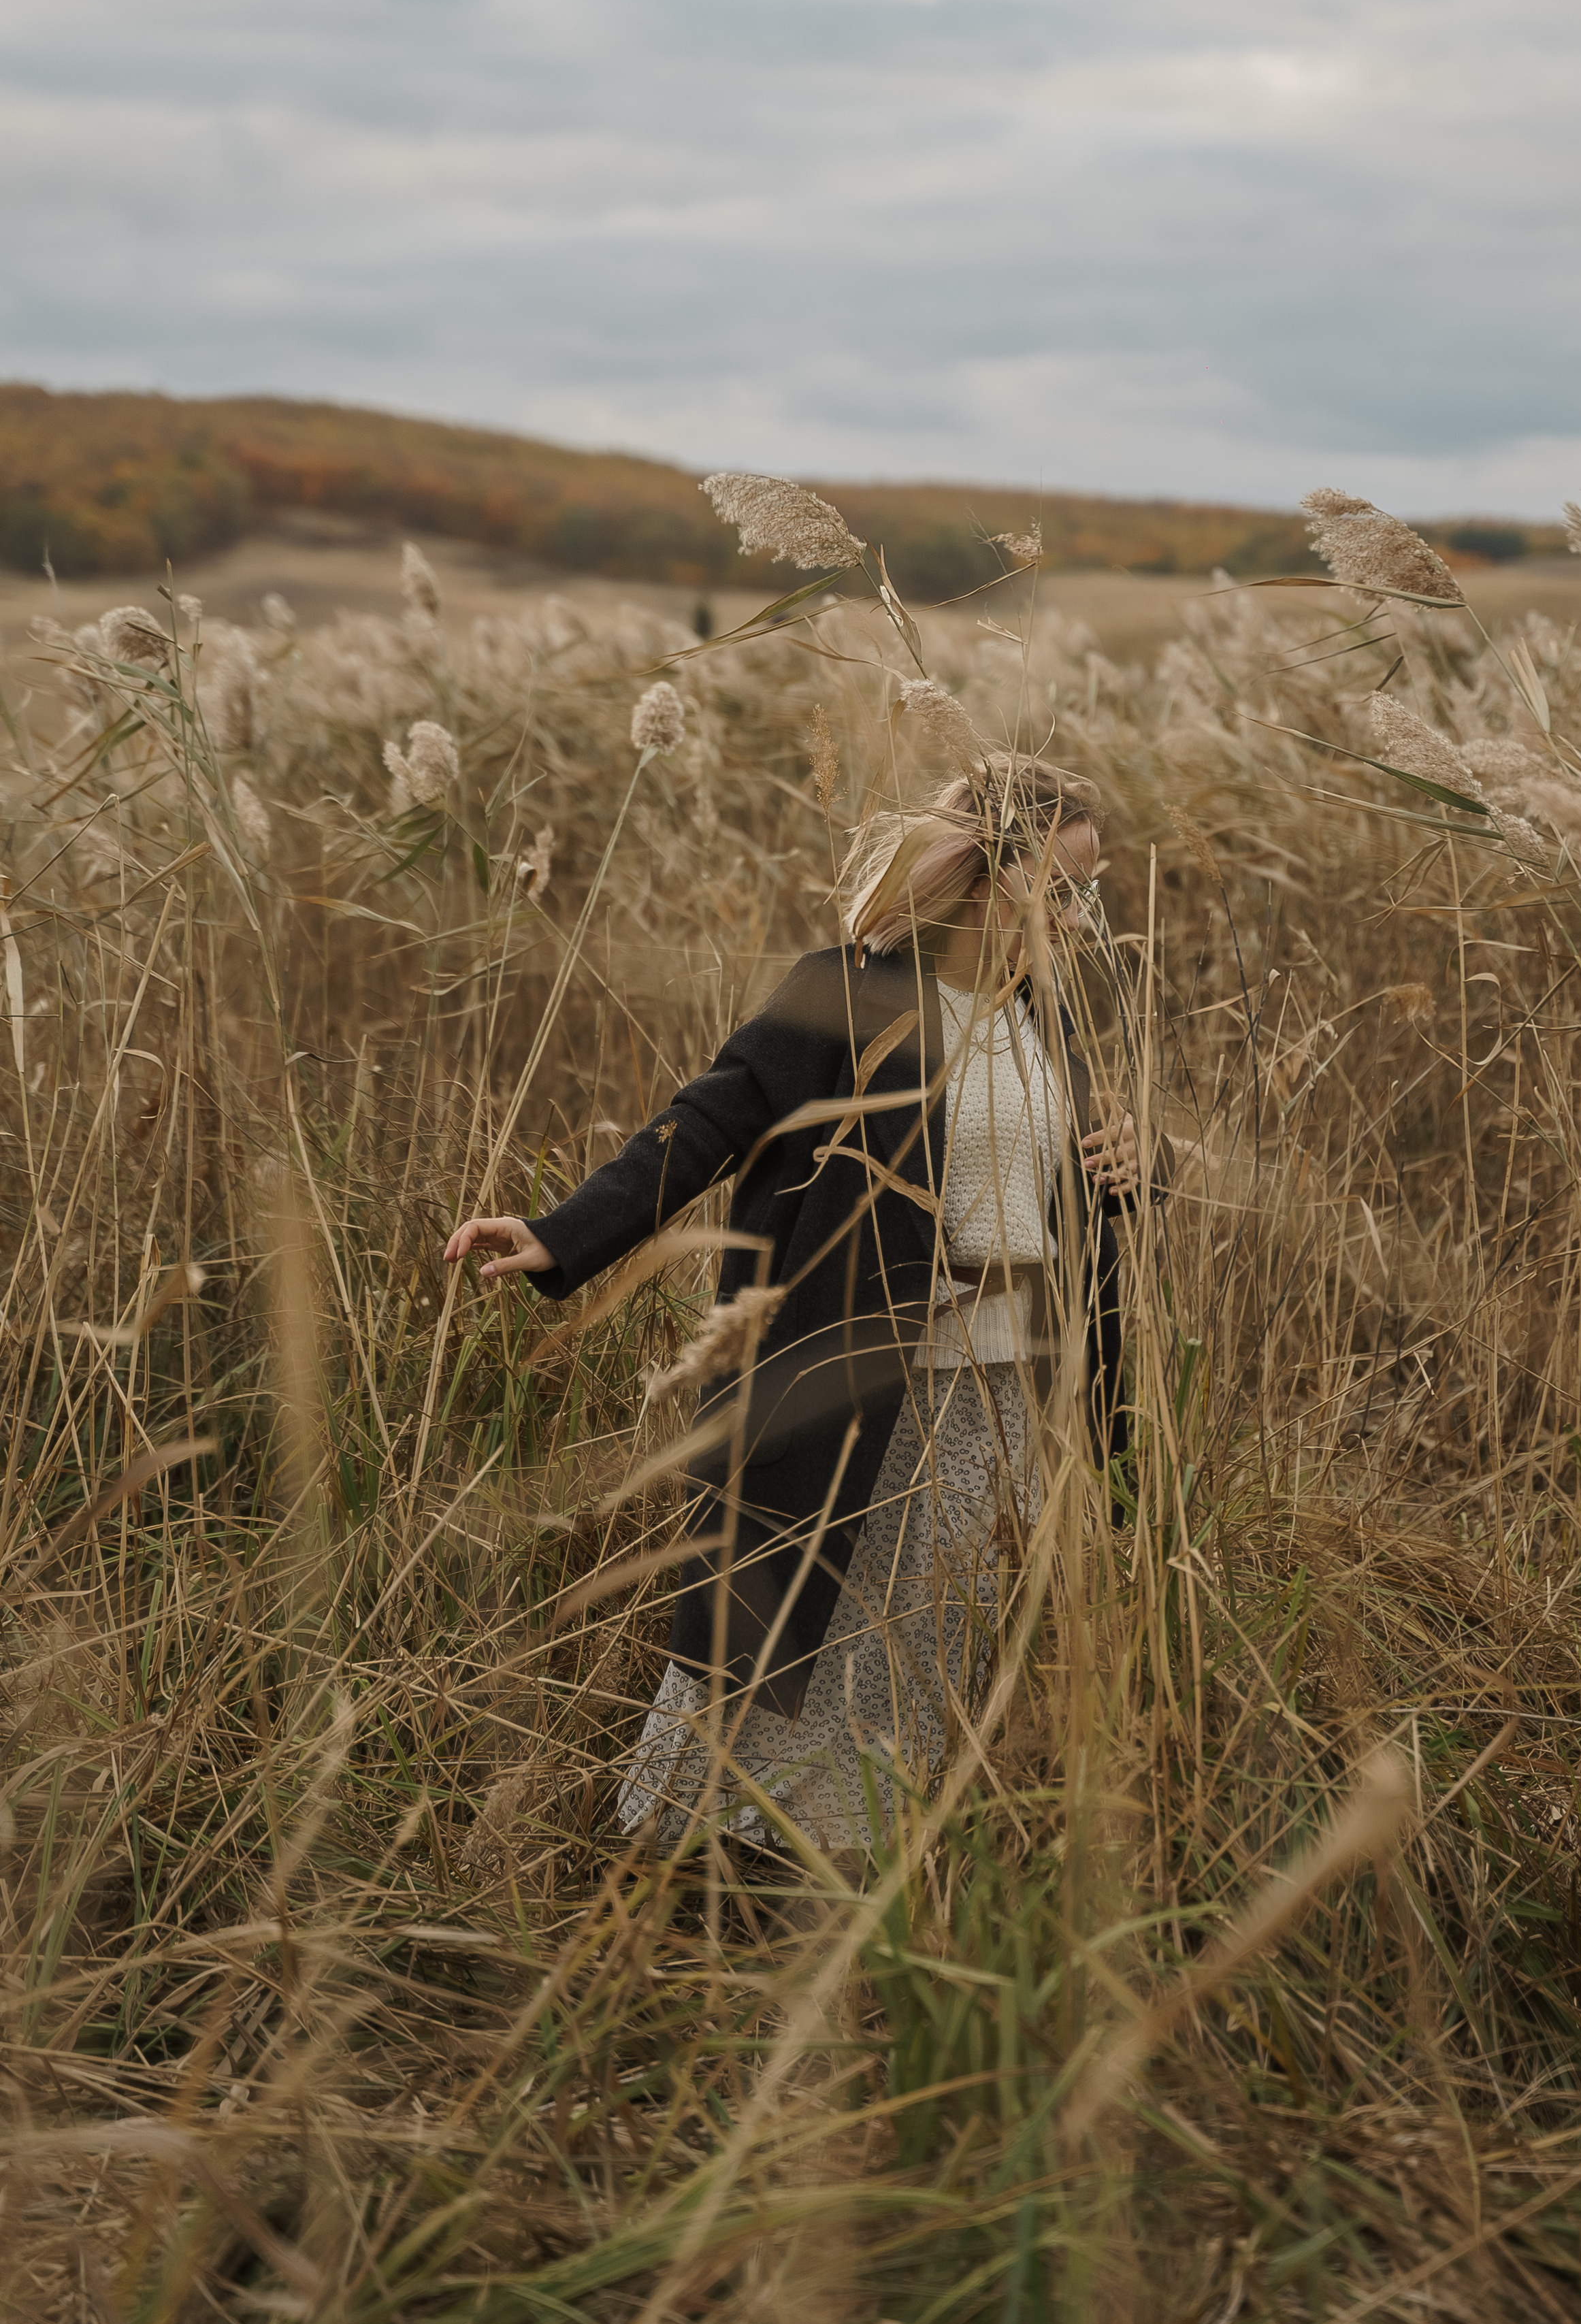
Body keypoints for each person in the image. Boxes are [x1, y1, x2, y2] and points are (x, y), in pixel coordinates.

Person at [444, 755, 1145, 1855]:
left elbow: (1048, 1187)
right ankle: (686, 1857)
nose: (1079, 912)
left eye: (1089, 889)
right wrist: (559, 1235)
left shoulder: (1041, 1019)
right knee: (786, 1630)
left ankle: (844, 1870)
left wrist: (1120, 1171)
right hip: (858, 1373)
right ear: (984, 876)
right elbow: (710, 1122)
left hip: (1001, 1393)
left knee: (919, 1650)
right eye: (1062, 884)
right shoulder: (852, 991)